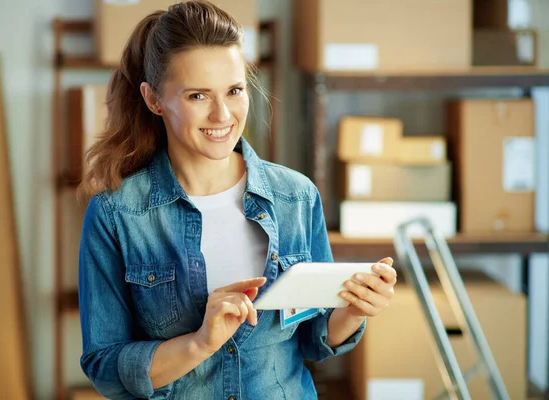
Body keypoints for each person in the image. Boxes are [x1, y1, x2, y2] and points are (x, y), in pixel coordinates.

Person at [77, 1, 397, 399]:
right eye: (197, 96)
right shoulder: (116, 214)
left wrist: (355, 309)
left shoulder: (296, 198)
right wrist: (199, 342)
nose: (222, 114)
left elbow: (316, 339)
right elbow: (105, 366)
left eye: (234, 90)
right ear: (154, 99)